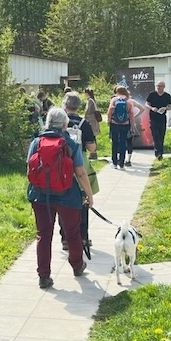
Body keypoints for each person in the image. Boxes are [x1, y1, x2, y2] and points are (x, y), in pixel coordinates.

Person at [26, 107, 94, 289]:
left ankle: (44, 276)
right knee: (72, 233)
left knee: (43, 235)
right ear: (65, 124)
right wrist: (89, 194)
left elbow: (29, 168)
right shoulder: (70, 144)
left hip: (40, 196)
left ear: (47, 123)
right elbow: (80, 172)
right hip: (67, 196)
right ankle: (77, 266)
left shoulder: (36, 142)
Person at [58, 93, 97, 253]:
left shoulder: (59, 122)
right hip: (80, 165)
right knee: (83, 202)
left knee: (62, 203)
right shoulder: (84, 123)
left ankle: (65, 238)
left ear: (64, 105)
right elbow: (92, 148)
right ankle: (83, 237)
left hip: (61, 166)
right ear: (78, 106)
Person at [106, 85, 135, 169]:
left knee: (114, 143)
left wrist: (108, 121)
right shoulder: (129, 101)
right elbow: (131, 114)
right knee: (123, 143)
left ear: (117, 92)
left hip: (114, 124)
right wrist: (132, 126)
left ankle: (114, 163)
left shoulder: (114, 100)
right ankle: (121, 164)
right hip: (125, 124)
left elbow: (109, 111)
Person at [146, 80, 171, 159]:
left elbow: (170, 106)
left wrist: (165, 108)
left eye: (160, 86)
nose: (158, 87)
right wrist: (152, 108)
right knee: (155, 135)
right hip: (153, 117)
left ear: (163, 87)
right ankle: (158, 153)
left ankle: (160, 152)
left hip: (162, 118)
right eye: (157, 86)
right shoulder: (152, 94)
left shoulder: (167, 96)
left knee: (161, 135)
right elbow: (146, 104)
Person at [83, 87, 101, 159]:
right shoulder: (92, 100)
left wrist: (84, 117)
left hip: (91, 120)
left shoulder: (90, 100)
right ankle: (93, 153)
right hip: (93, 120)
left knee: (92, 136)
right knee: (93, 136)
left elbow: (87, 110)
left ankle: (93, 153)